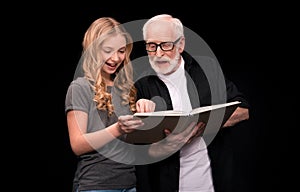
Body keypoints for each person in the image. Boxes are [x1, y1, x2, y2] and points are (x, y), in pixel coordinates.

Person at [133, 14, 250, 192]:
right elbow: (139, 149)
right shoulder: (141, 82)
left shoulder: (207, 69)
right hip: (167, 184)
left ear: (181, 44)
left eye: (165, 45)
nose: (158, 53)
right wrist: (164, 145)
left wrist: (207, 123)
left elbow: (244, 110)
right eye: (151, 46)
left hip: (213, 181)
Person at [65, 17, 155, 192]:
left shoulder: (125, 88)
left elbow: (134, 141)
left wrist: (145, 109)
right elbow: (77, 144)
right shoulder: (80, 87)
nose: (115, 58)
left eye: (121, 51)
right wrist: (118, 129)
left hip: (129, 184)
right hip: (96, 185)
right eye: (108, 50)